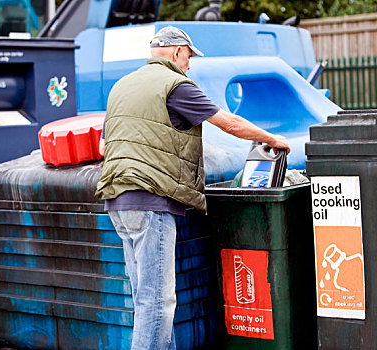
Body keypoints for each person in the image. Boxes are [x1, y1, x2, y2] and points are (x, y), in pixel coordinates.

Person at [95, 26, 290, 350]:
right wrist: (272, 139)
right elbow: (229, 123)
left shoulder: (122, 86)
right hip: (150, 200)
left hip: (118, 200)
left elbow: (105, 143)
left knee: (145, 300)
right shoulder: (175, 85)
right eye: (188, 57)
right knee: (157, 303)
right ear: (176, 52)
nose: (190, 65)